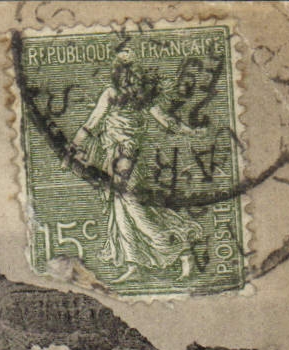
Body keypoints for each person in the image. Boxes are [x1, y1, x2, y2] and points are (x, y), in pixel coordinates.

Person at [67, 48, 208, 282]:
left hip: (128, 160)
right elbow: (93, 123)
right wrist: (73, 147)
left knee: (135, 208)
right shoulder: (124, 95)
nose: (126, 76)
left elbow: (165, 122)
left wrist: (190, 131)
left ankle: (180, 250)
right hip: (112, 160)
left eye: (128, 71)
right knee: (121, 210)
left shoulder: (134, 96)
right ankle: (133, 264)